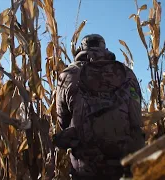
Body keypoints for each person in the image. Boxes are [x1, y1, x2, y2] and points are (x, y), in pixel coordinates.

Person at [54, 34, 145, 180]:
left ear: (81, 49)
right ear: (104, 48)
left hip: (86, 166)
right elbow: (136, 116)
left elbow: (62, 121)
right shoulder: (128, 74)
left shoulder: (68, 75)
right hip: (126, 162)